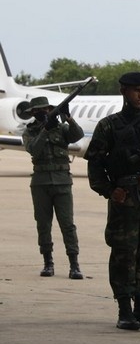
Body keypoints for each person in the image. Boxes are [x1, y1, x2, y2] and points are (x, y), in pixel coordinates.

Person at [85, 71, 140, 330]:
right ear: (124, 91)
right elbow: (96, 163)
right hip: (124, 198)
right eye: (137, 90)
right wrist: (109, 190)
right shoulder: (108, 125)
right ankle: (124, 309)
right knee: (124, 253)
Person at [21, 96, 83, 280]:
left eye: (46, 109)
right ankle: (48, 263)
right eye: (39, 110)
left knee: (68, 225)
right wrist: (44, 131)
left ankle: (74, 265)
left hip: (62, 182)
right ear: (32, 113)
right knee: (43, 224)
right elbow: (33, 149)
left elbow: (77, 136)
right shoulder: (30, 132)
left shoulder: (62, 128)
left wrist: (68, 119)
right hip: (40, 183)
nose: (44, 113)